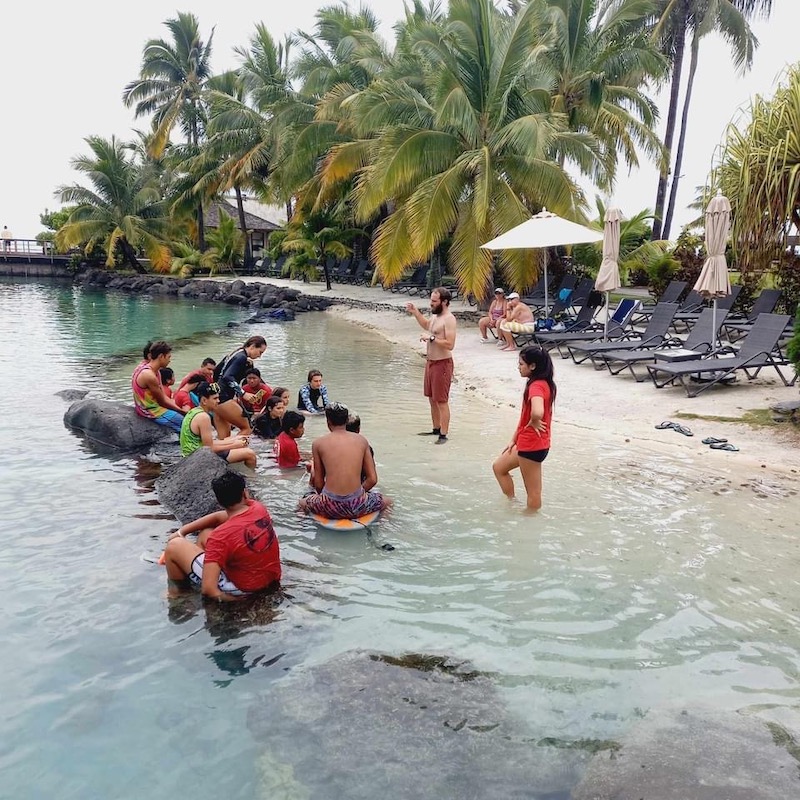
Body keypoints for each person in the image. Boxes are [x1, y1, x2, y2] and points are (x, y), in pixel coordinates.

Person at [163, 472, 280, 601]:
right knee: (205, 534)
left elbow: (209, 590)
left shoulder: (220, 537)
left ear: (219, 501)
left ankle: (177, 594)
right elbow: (220, 517)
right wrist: (182, 532)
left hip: (242, 589)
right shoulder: (258, 509)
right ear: (245, 494)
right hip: (269, 577)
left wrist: (240, 601)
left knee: (174, 546)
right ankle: (195, 572)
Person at [492, 345, 556, 512]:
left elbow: (537, 411)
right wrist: (514, 438)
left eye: (521, 364)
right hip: (528, 442)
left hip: (532, 445)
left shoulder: (536, 386)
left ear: (532, 366)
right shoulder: (542, 383)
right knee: (499, 467)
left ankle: (530, 524)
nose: (518, 367)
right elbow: (525, 416)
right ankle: (512, 504)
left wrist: (535, 420)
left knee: (533, 493)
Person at [299, 403, 390, 519]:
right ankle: (380, 528)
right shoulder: (361, 440)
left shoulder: (318, 443)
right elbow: (372, 479)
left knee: (301, 504)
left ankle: (302, 525)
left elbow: (319, 484)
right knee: (387, 502)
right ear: (346, 420)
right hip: (358, 504)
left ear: (328, 422)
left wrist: (327, 499)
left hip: (329, 505)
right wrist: (358, 495)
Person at [406, 287, 457, 444]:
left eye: (434, 301)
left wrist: (432, 339)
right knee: (431, 398)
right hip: (431, 362)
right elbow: (427, 325)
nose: (431, 304)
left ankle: (444, 434)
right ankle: (436, 428)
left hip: (443, 363)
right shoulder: (436, 316)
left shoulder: (449, 319)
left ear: (445, 302)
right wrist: (415, 312)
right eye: (431, 300)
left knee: (441, 400)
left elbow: (450, 344)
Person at [179, 382, 257, 468]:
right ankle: (251, 479)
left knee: (238, 441)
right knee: (250, 454)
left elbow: (207, 444)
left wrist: (234, 440)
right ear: (204, 400)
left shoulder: (194, 411)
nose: (218, 401)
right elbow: (208, 449)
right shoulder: (203, 417)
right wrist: (234, 445)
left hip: (192, 454)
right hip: (197, 458)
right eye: (215, 398)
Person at [213, 336, 268, 437]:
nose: (260, 356)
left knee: (224, 436)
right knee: (247, 428)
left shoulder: (234, 354)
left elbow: (216, 372)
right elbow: (228, 377)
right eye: (260, 352)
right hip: (224, 398)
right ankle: (237, 448)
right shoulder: (241, 357)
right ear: (252, 346)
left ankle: (224, 451)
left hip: (216, 398)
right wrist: (243, 393)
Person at [131, 341, 185, 433]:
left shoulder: (152, 370)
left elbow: (163, 396)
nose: (169, 360)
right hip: (150, 411)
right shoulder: (149, 375)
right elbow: (162, 401)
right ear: (161, 357)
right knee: (185, 422)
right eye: (168, 357)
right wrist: (182, 411)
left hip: (149, 406)